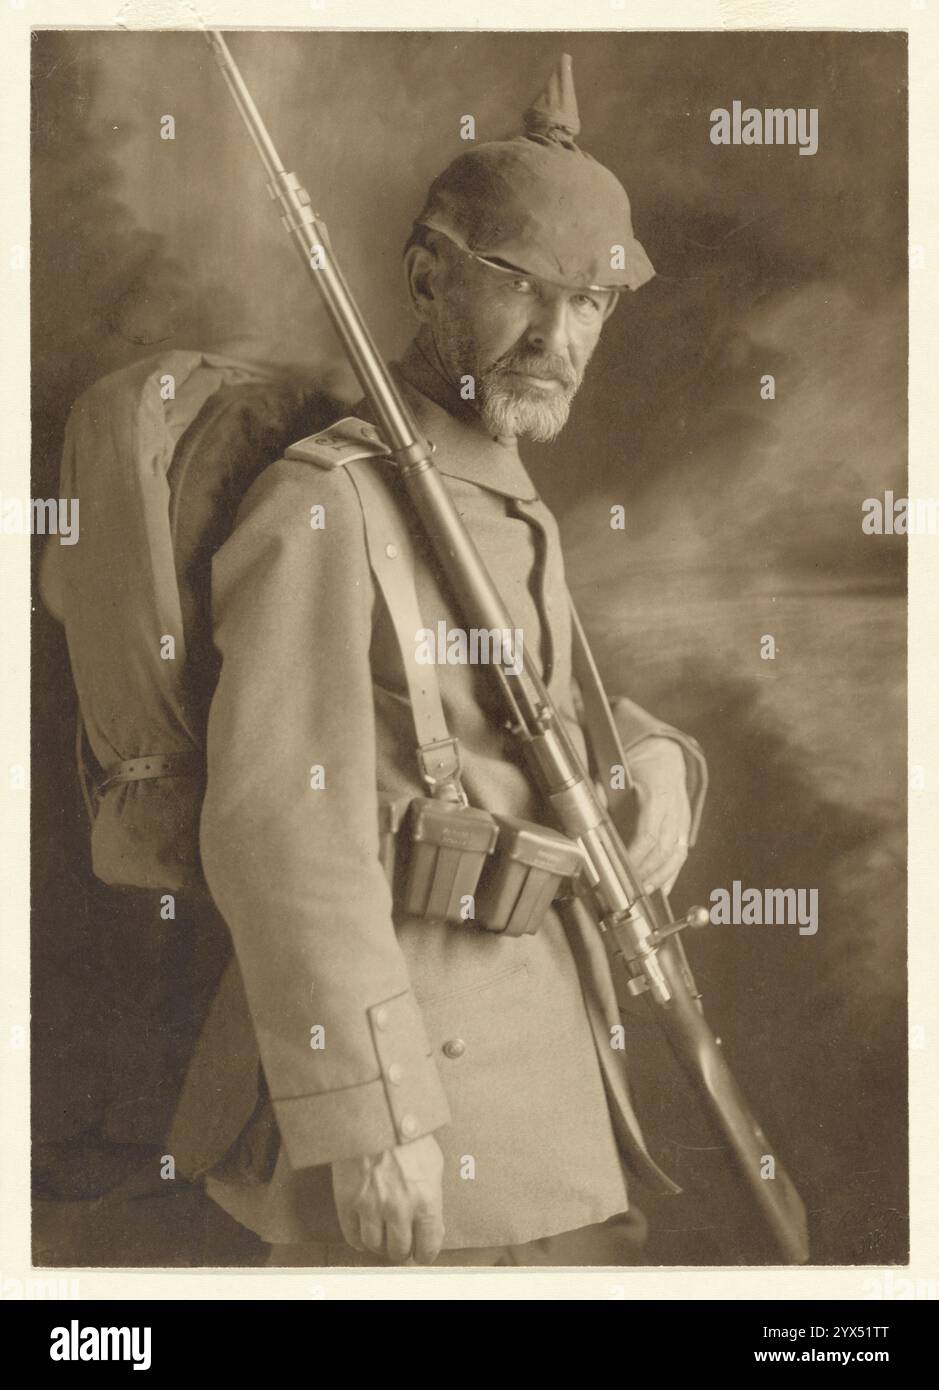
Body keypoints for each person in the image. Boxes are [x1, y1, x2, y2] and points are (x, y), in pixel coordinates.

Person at [167, 53, 707, 1267]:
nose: (560, 337)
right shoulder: (329, 501)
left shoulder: (497, 488)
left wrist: (659, 756)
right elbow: (277, 826)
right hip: (412, 1098)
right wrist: (369, 1113)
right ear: (426, 279)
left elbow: (514, 702)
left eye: (594, 304)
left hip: (542, 1077)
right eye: (524, 289)